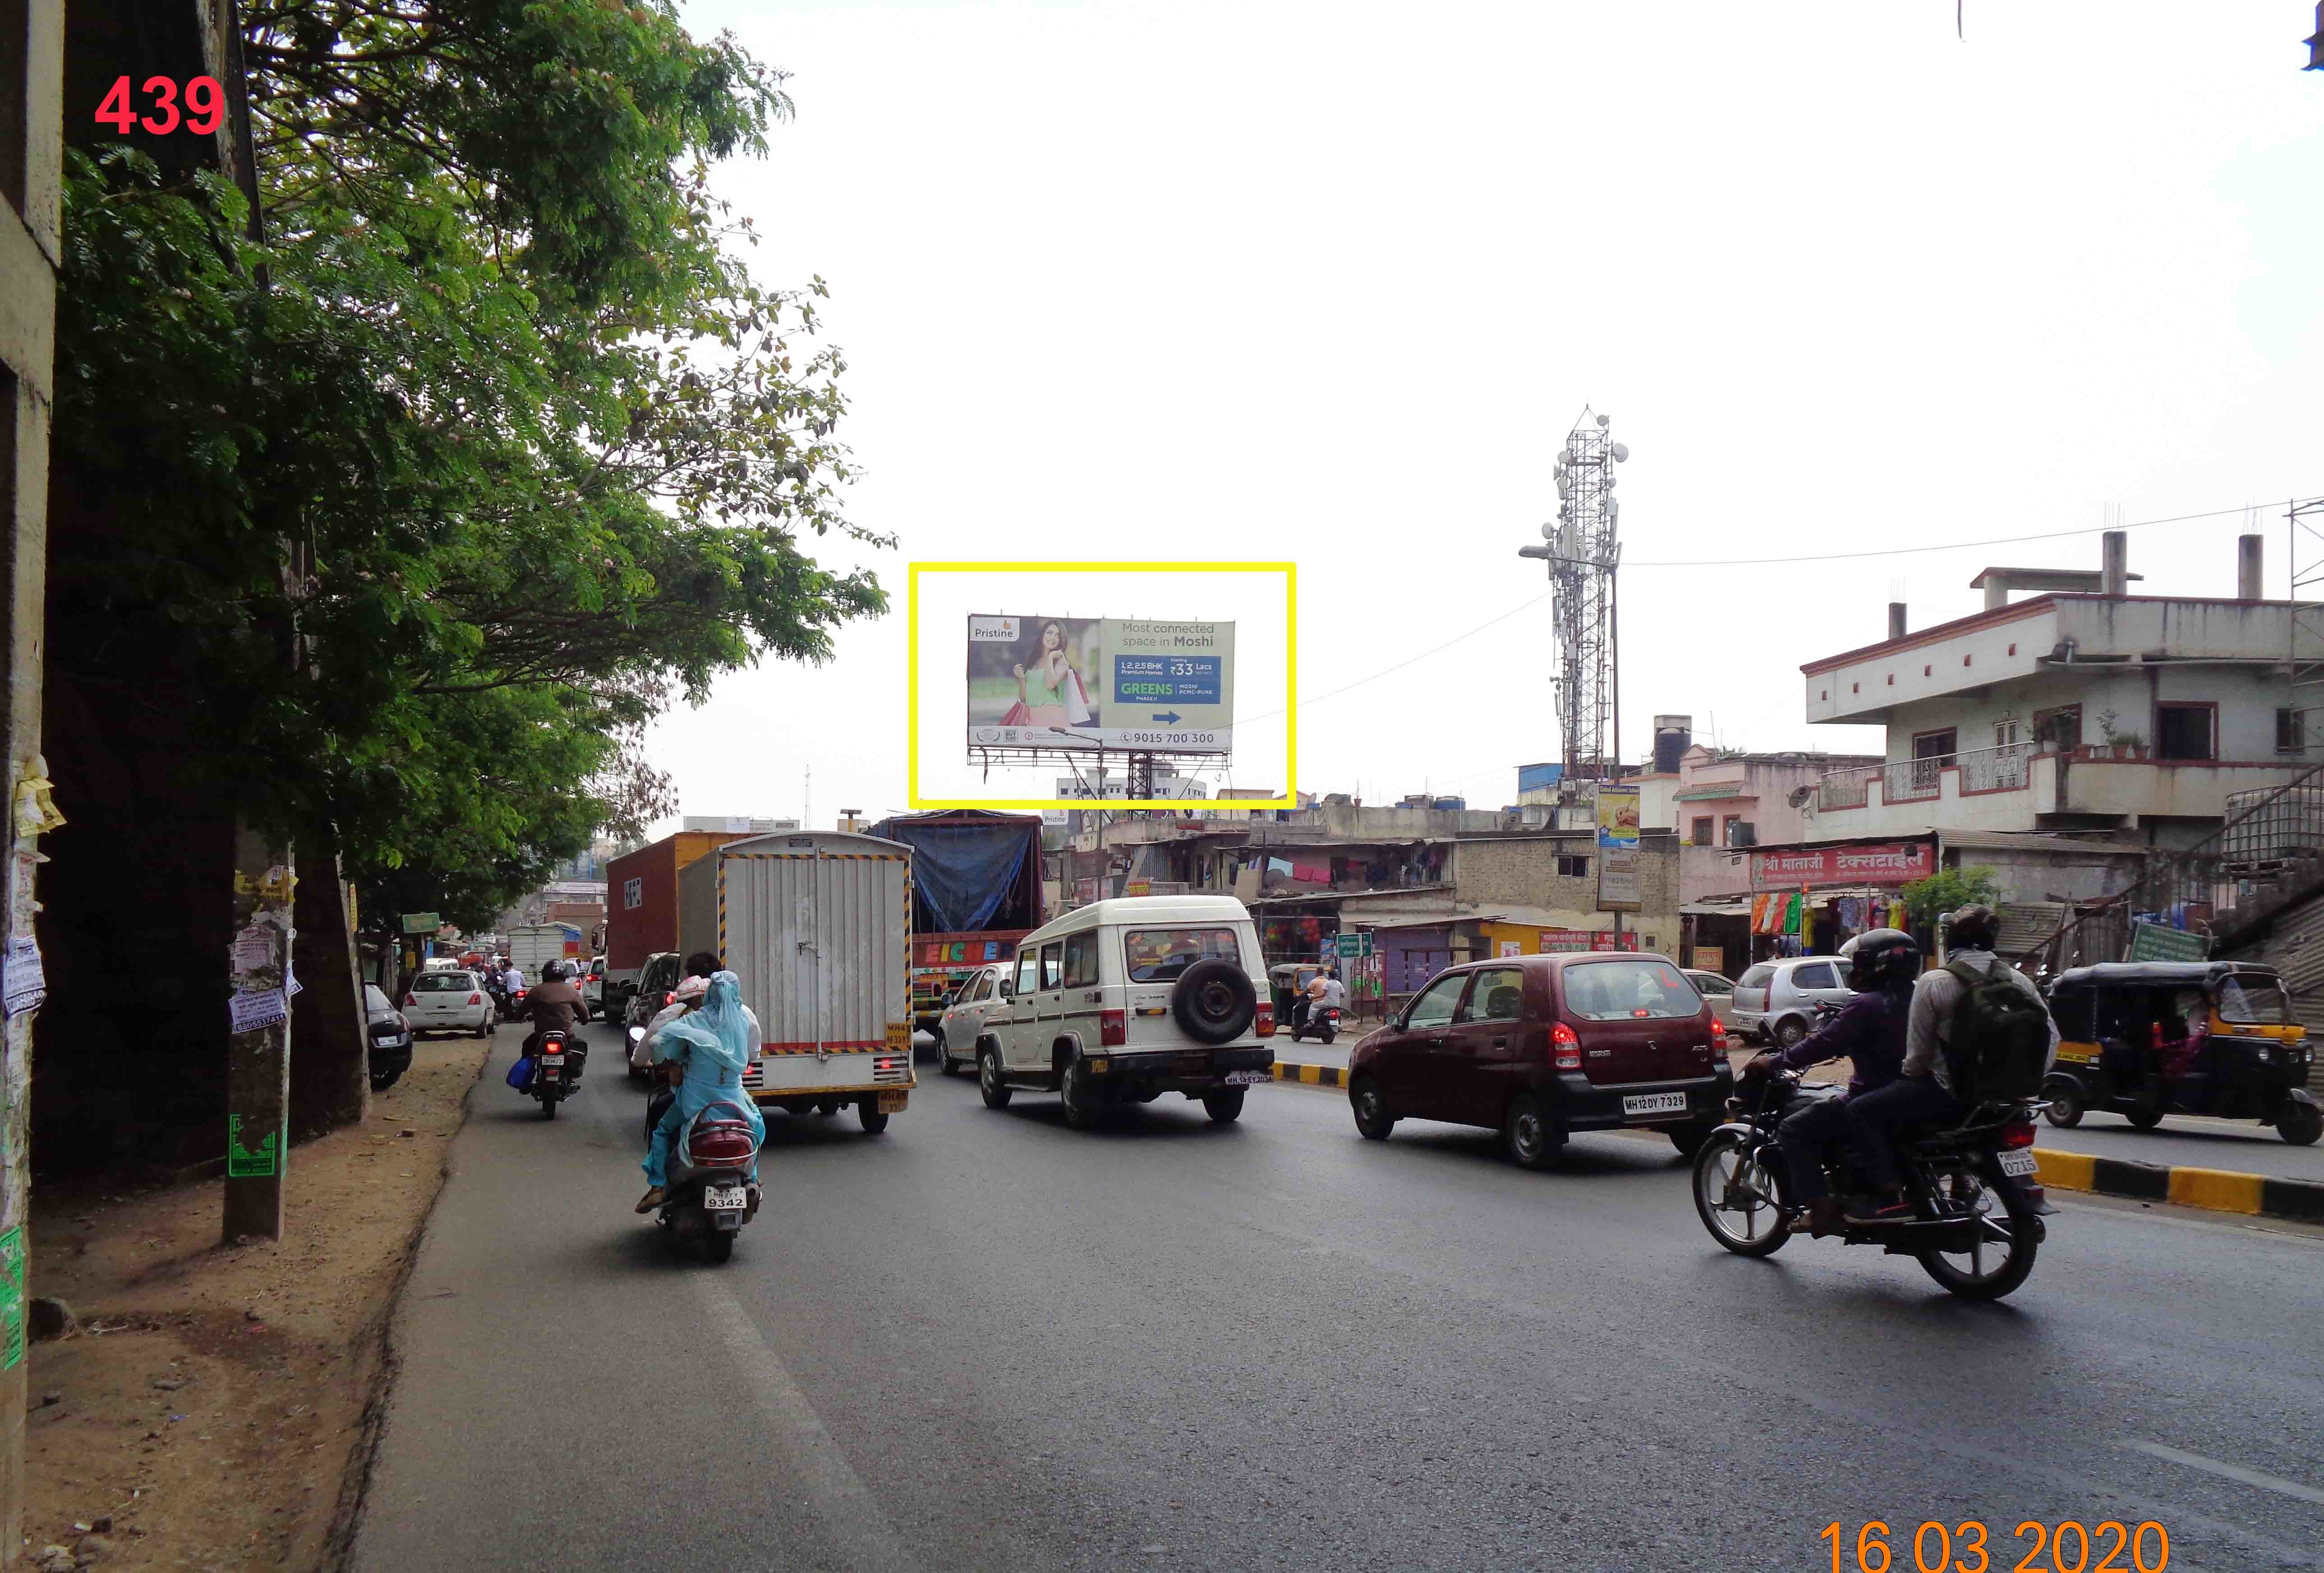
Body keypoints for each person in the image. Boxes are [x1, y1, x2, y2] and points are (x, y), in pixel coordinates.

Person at [1843, 904, 2057, 1225]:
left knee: (1860, 1111)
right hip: (2008, 1101)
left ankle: (1890, 1198)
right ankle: (1954, 1183)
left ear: (1950, 940)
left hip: (1949, 1097)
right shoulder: (2019, 981)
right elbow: (2052, 1038)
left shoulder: (1934, 982)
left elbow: (1917, 1057)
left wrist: (1907, 1080)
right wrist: (2025, 1083)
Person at [1743, 929, 1919, 1237]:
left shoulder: (1865, 1005)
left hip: (1872, 1093)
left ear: (1875, 967)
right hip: (1913, 1094)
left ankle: (1821, 1210)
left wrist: (1773, 1062)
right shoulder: (1920, 995)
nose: (1857, 971)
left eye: (1860, 964)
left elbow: (1822, 1044)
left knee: (1793, 1130)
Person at [637, 970, 766, 1213]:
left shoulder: (692, 1021)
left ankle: (657, 1187)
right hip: (735, 1099)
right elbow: (753, 1055)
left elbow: (658, 1044)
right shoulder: (745, 1018)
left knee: (663, 1129)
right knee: (757, 1128)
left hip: (695, 1099)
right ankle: (752, 1179)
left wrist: (664, 1062)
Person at [1010, 621, 1085, 728]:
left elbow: (1050, 684)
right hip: (1032, 718)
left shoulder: (1061, 661)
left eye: (1057, 636)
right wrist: (1022, 678)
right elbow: (1024, 699)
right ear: (1043, 635)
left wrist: (1050, 658)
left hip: (1053, 719)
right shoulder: (1034, 661)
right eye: (1049, 633)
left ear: (1061, 640)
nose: (1053, 638)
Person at [521, 959, 588, 1056]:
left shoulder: (536, 991)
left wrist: (520, 1017)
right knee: (578, 1050)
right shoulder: (572, 991)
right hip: (566, 1034)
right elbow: (585, 1014)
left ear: (545, 975)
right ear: (564, 975)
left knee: (527, 1048)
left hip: (541, 1035)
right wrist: (584, 1020)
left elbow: (521, 1011)